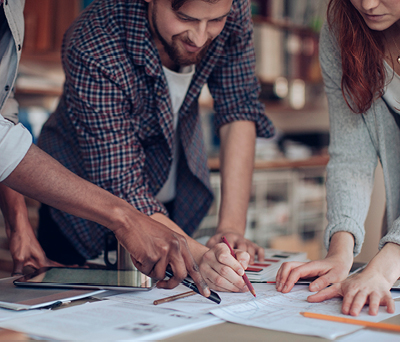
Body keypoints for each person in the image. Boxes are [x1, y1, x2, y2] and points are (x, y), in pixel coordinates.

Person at [37, 0, 275, 292]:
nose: (200, 37)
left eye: (215, 21)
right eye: (185, 18)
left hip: (169, 211)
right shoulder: (95, 39)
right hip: (83, 220)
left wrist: (231, 229)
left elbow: (238, 107)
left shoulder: (229, 5)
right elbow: (121, 185)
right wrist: (201, 257)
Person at [0, 0, 212, 297]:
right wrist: (124, 217)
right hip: (79, 225)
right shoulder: (95, 38)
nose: (200, 37)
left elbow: (2, 119)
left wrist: (18, 224)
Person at [276, 0, 400, 316]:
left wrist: (385, 265)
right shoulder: (343, 28)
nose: (367, 4)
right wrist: (339, 253)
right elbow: (351, 155)